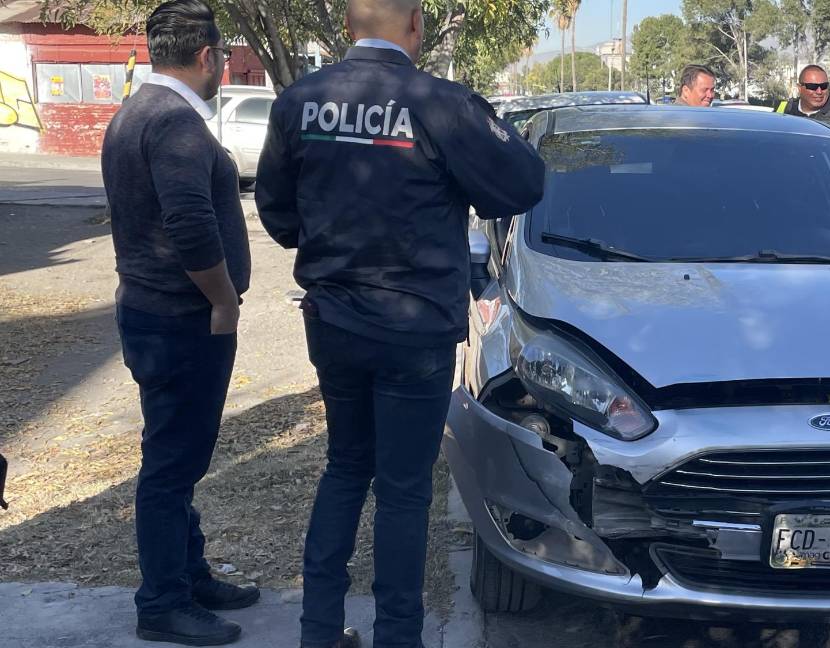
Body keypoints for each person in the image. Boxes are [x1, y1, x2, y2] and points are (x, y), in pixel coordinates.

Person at [254, 0, 545, 646]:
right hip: (414, 329)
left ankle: (319, 630)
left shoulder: (301, 100)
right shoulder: (438, 103)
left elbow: (275, 214)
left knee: (345, 468)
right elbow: (524, 183)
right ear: (415, 25)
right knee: (405, 490)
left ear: (348, 28)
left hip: (334, 322)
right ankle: (397, 637)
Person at [101, 0, 256, 645]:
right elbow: (189, 225)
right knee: (170, 465)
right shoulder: (176, 125)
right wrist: (222, 301)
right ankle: (162, 601)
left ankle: (188, 574)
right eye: (220, 57)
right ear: (206, 57)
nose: (221, 66)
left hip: (150, 311)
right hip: (181, 321)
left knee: (177, 455)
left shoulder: (135, 112)